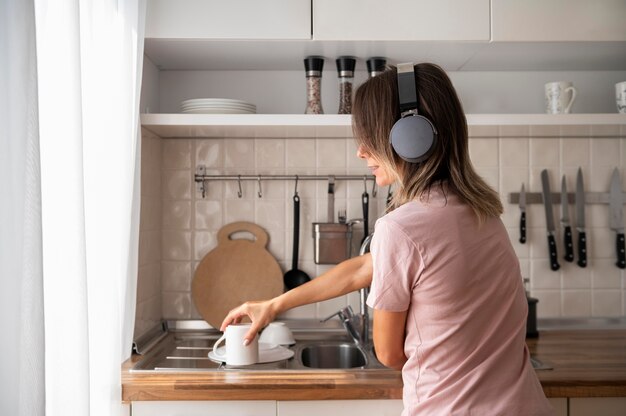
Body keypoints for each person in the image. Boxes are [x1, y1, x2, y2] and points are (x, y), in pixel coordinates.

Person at [221, 63, 553, 415]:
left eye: (370, 137)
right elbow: (362, 269)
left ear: (412, 136)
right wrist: (274, 304)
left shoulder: (402, 228)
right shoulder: (483, 213)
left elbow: (389, 354)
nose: (361, 151)